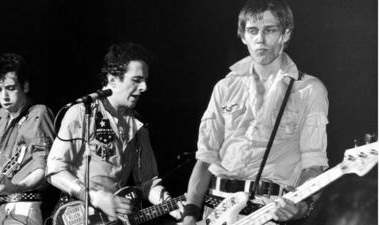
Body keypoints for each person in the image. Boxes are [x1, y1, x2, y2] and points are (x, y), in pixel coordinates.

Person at [182, 0, 329, 224]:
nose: (260, 39)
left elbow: (313, 165)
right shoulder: (225, 86)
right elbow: (205, 159)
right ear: (243, 36)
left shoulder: (309, 89)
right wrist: (190, 215)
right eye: (253, 31)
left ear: (285, 34)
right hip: (216, 209)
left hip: (266, 212)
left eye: (269, 30)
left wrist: (300, 207)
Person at [46, 43, 181, 225]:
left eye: (145, 80)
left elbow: (148, 182)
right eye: (136, 80)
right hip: (75, 216)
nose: (144, 87)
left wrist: (171, 204)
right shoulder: (81, 112)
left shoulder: (138, 125)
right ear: (113, 79)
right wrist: (94, 197)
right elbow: (54, 169)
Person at [0, 53, 55, 225]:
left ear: (25, 86)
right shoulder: (3, 120)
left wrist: (16, 187)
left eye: (11, 88)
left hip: (24, 205)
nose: (4, 96)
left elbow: (44, 167)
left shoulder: (38, 114)